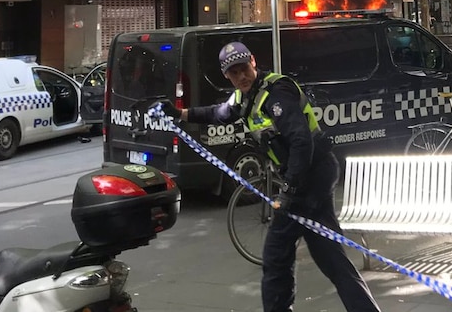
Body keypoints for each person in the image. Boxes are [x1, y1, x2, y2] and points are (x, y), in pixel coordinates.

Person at [154, 41, 380, 312]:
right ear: (227, 75)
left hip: (312, 177)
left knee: (276, 256)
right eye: (233, 73)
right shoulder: (244, 97)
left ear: (252, 62)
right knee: (330, 258)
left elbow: (300, 142)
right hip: (308, 179)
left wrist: (290, 191)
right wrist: (180, 113)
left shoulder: (277, 93)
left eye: (243, 69)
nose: (241, 77)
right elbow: (219, 113)